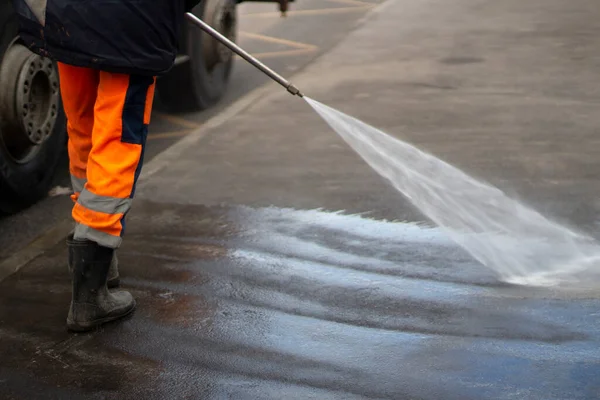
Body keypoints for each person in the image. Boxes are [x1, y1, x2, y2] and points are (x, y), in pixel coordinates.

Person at [12, 0, 200, 332]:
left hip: (65, 14)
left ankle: (100, 264)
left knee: (83, 128)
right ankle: (89, 298)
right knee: (116, 139)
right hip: (131, 22)